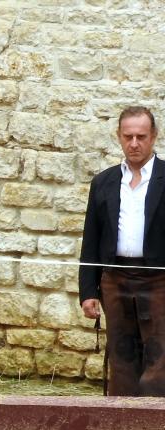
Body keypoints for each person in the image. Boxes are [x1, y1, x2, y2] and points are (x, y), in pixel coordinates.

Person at [79, 105, 165, 396]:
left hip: (159, 280)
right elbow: (91, 239)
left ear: (153, 136)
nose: (134, 143)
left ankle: (155, 422)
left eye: (141, 136)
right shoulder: (103, 182)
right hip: (114, 279)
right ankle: (121, 422)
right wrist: (88, 291)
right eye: (128, 136)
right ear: (119, 136)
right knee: (121, 353)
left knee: (160, 353)